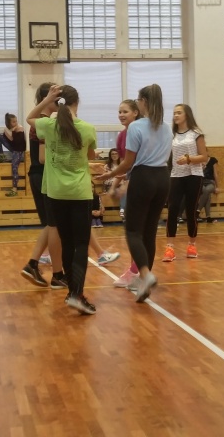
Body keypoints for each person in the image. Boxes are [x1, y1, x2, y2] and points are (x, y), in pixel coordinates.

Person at [96, 84, 172, 304]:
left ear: (143, 102)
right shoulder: (167, 127)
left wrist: (109, 175)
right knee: (149, 232)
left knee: (133, 231)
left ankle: (145, 275)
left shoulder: (136, 127)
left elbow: (128, 163)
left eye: (138, 100)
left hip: (143, 177)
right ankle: (143, 280)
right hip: (163, 178)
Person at [29, 84, 100, 315]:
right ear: (76, 103)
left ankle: (72, 292)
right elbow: (90, 156)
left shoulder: (49, 126)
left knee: (67, 243)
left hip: (56, 193)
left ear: (56, 102)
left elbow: (29, 118)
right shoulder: (87, 128)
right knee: (81, 244)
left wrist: (45, 100)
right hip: (79, 193)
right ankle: (76, 294)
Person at [20, 83, 67, 290]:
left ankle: (33, 264)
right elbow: (42, 158)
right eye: (56, 97)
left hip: (41, 175)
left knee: (51, 225)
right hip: (43, 175)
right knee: (55, 225)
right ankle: (57, 274)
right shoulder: (43, 122)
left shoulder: (44, 120)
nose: (59, 101)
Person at [164, 104, 207, 262]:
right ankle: (170, 248)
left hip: (194, 175)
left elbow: (204, 157)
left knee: (191, 210)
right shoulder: (172, 135)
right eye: (174, 113)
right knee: (172, 209)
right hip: (176, 175)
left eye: (179, 113)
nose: (175, 115)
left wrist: (189, 159)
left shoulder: (196, 134)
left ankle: (192, 245)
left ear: (186, 115)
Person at [108, 99, 141, 287]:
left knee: (138, 231)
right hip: (131, 184)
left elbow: (137, 164)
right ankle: (136, 270)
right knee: (133, 230)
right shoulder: (121, 136)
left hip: (143, 183)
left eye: (125, 111)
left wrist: (126, 185)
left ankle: (136, 272)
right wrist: (114, 185)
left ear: (135, 112)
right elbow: (124, 166)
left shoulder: (141, 132)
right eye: (119, 111)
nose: (121, 115)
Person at [0, 113, 26, 196]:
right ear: (8, 123)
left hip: (18, 150)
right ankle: (2, 155)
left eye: (16, 121)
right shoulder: (7, 130)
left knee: (14, 166)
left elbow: (17, 142)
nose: (16, 123)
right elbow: (5, 139)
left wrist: (14, 131)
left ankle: (15, 188)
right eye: (13, 122)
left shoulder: (19, 129)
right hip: (13, 147)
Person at [197, 155, 220, 223]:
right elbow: (196, 174)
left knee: (207, 191)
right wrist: (202, 168)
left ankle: (197, 211)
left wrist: (217, 187)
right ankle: (208, 217)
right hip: (201, 182)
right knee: (206, 192)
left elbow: (215, 174)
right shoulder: (197, 160)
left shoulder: (212, 160)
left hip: (210, 182)